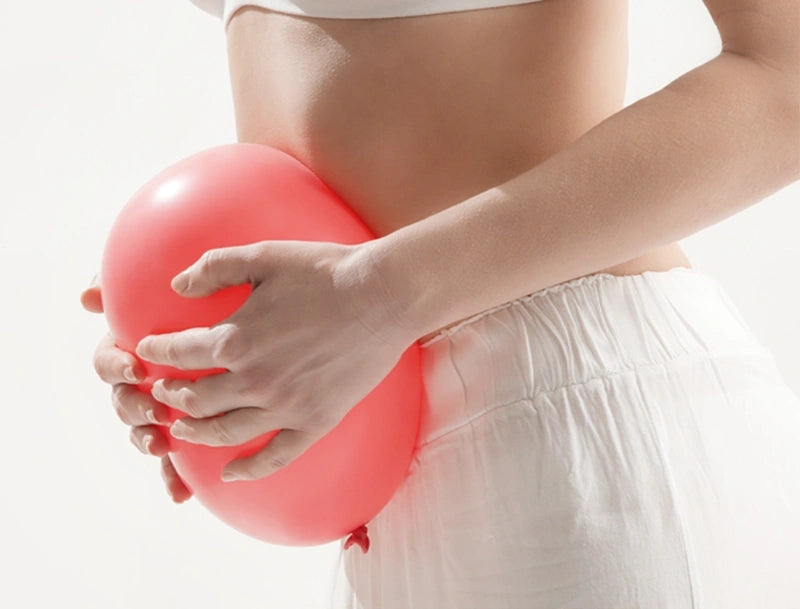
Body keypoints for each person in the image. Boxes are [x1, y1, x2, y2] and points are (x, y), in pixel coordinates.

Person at [81, 0, 800, 607]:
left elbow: (786, 83)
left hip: (566, 419)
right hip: (378, 462)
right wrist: (204, 353)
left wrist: (379, 297)